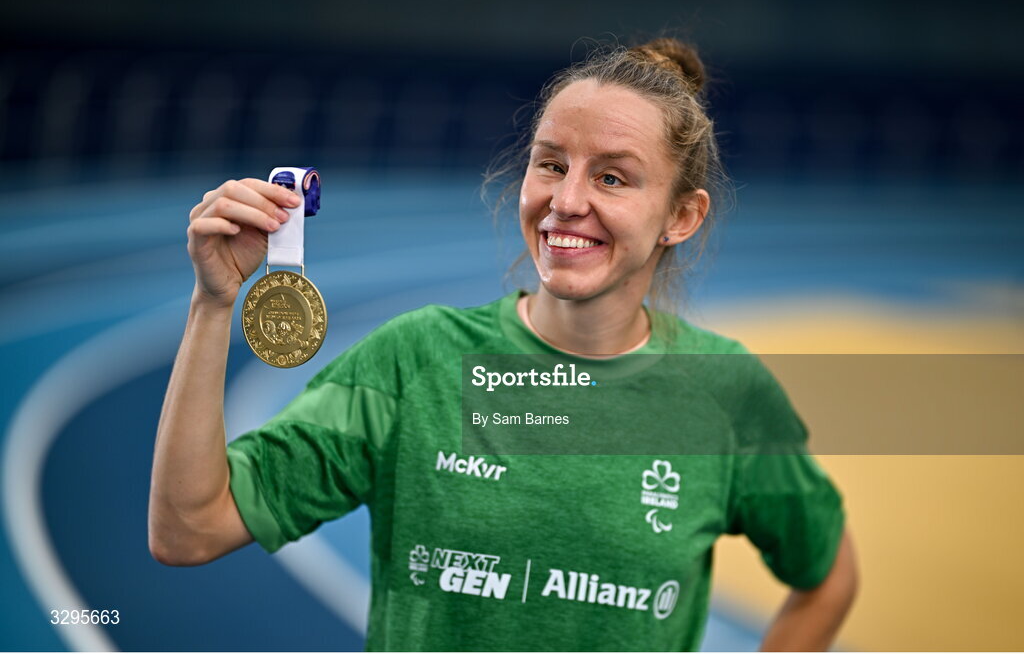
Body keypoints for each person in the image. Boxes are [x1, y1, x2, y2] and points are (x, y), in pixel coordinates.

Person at [149, 37, 858, 651]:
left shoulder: (725, 394)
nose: (567, 200)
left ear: (681, 216)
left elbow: (828, 576)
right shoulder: (415, 363)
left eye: (611, 176)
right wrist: (213, 305)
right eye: (551, 164)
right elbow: (189, 531)